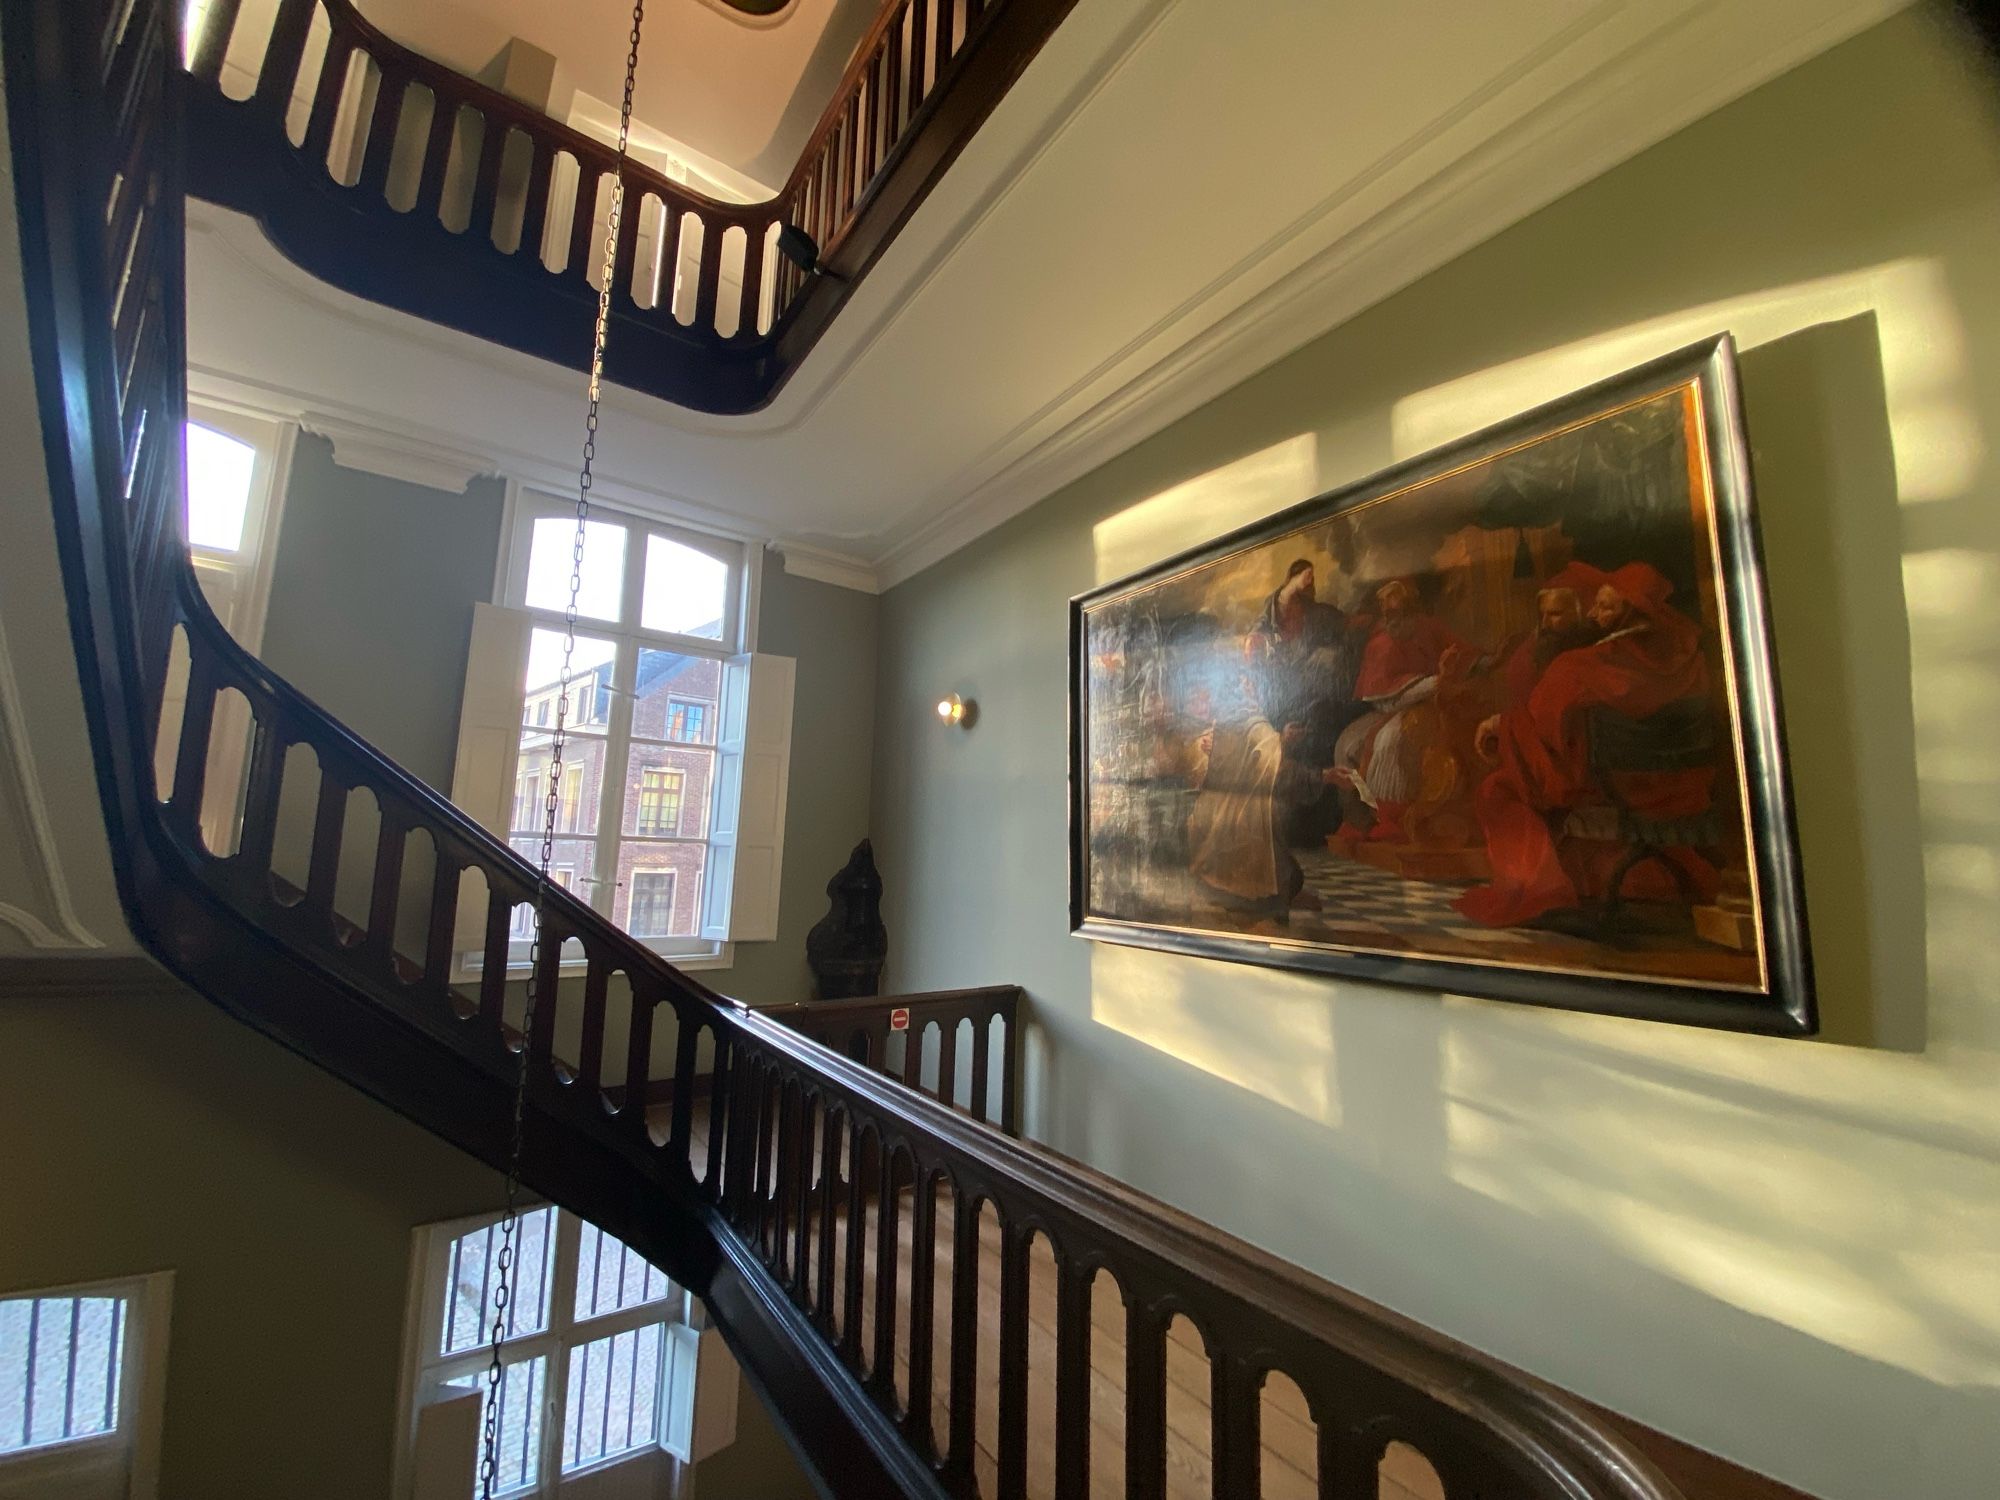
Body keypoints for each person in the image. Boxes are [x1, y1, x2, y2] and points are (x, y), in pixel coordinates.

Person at [1455, 561, 1718, 927]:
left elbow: (1546, 733)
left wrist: (1502, 725)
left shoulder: (1582, 665)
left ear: (1634, 611)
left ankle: (1542, 894)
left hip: (1618, 790)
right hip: (1678, 787)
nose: (1595, 614)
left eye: (1605, 607)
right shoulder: (1685, 655)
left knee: (1496, 789)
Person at [1187, 674, 1342, 924]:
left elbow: (1251, 760)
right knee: (1282, 878)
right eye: (1250, 687)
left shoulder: (1224, 726)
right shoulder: (1253, 724)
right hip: (1246, 846)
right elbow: (1277, 772)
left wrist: (1281, 739)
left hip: (1215, 848)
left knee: (1286, 874)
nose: (1255, 692)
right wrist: (1324, 776)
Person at [1330, 579, 1470, 842]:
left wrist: (1452, 670)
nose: (1391, 620)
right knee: (1345, 744)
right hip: (1392, 707)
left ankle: (1394, 820)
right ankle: (1360, 820)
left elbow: (1463, 655)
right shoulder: (1380, 643)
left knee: (1389, 743)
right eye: (1387, 613)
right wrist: (1432, 682)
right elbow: (1385, 698)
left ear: (1411, 610)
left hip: (1434, 705)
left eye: (1398, 612)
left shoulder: (1431, 629)